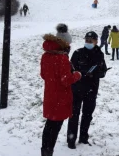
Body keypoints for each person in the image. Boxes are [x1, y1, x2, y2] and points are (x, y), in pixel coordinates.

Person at [40, 24, 81, 156]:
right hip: (60, 99)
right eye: (69, 44)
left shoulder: (46, 55)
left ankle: (45, 151)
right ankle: (48, 152)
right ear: (64, 43)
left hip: (50, 95)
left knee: (49, 126)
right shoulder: (62, 58)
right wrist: (77, 75)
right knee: (55, 128)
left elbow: (43, 75)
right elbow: (66, 80)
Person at [67, 31, 107, 149]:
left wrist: (98, 73)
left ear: (96, 41)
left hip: (92, 90)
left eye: (91, 41)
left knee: (87, 115)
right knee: (74, 115)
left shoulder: (99, 54)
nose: (88, 42)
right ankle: (71, 140)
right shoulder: (77, 53)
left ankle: (84, 138)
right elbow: (70, 70)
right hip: (77, 89)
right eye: (86, 40)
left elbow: (103, 71)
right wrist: (82, 73)